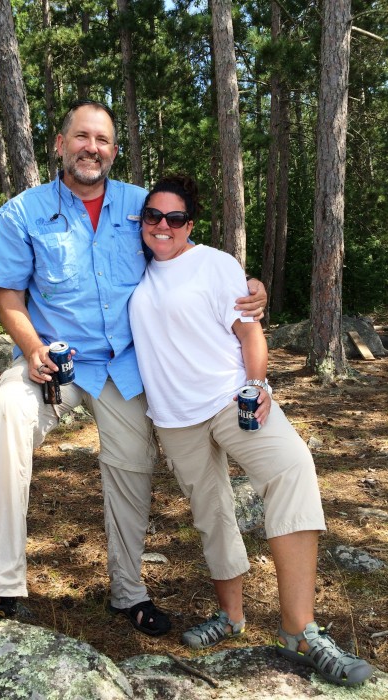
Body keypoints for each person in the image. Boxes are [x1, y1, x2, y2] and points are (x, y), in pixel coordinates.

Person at [0, 101, 267, 641]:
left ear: (114, 151)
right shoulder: (23, 212)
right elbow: (8, 294)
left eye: (104, 140)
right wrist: (31, 348)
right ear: (60, 144)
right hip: (56, 363)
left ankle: (128, 590)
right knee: (7, 412)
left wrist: (250, 289)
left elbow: (189, 253)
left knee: (132, 463)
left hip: (128, 367)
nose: (93, 147)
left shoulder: (143, 207)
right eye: (82, 137)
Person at [128, 174, 374, 687]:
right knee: (212, 512)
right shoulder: (132, 270)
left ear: (189, 224)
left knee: (291, 467)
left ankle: (300, 629)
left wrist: (258, 383)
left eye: (175, 218)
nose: (163, 226)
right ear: (141, 222)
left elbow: (249, 332)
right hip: (175, 418)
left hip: (230, 399)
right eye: (153, 217)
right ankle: (231, 617)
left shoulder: (215, 264)